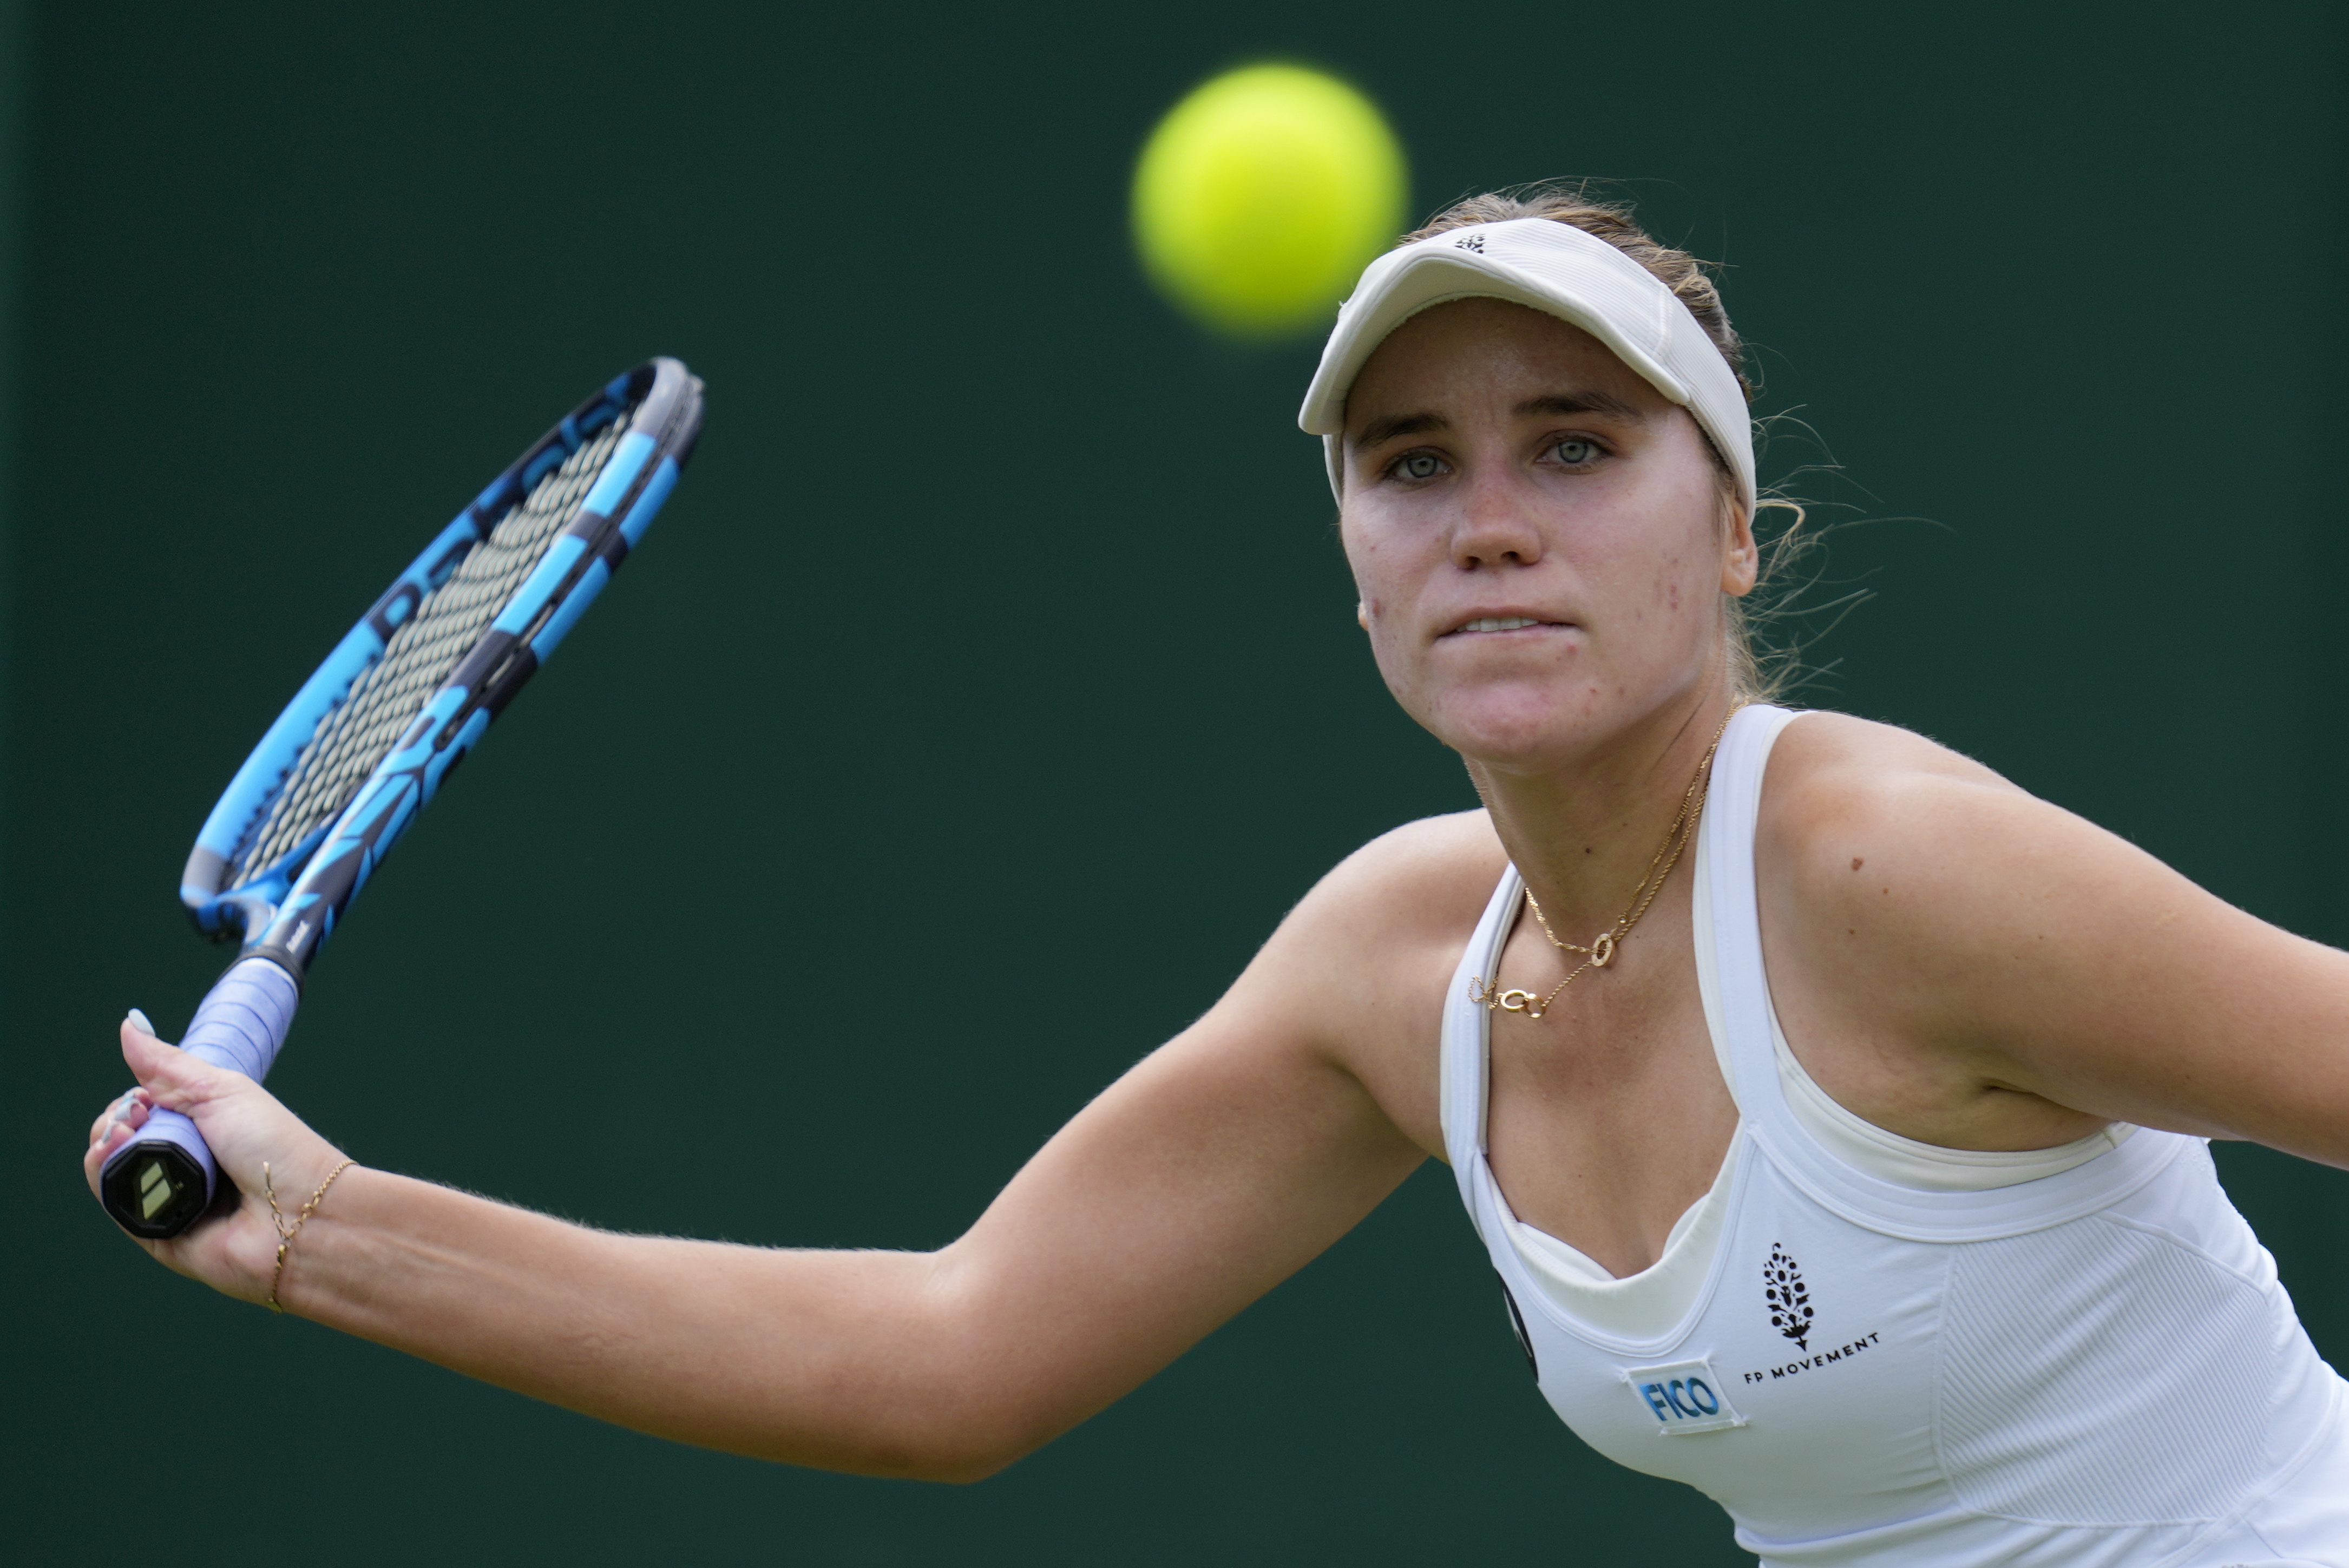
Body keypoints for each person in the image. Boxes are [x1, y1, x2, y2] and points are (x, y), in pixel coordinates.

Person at [88, 186, 2349, 1564]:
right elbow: (949, 1356)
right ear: (1351, 558)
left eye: (1573, 447)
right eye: (1407, 463)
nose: (1484, 516)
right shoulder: (1395, 967)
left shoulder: (1878, 863)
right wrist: (326, 1232)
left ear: (1729, 525)